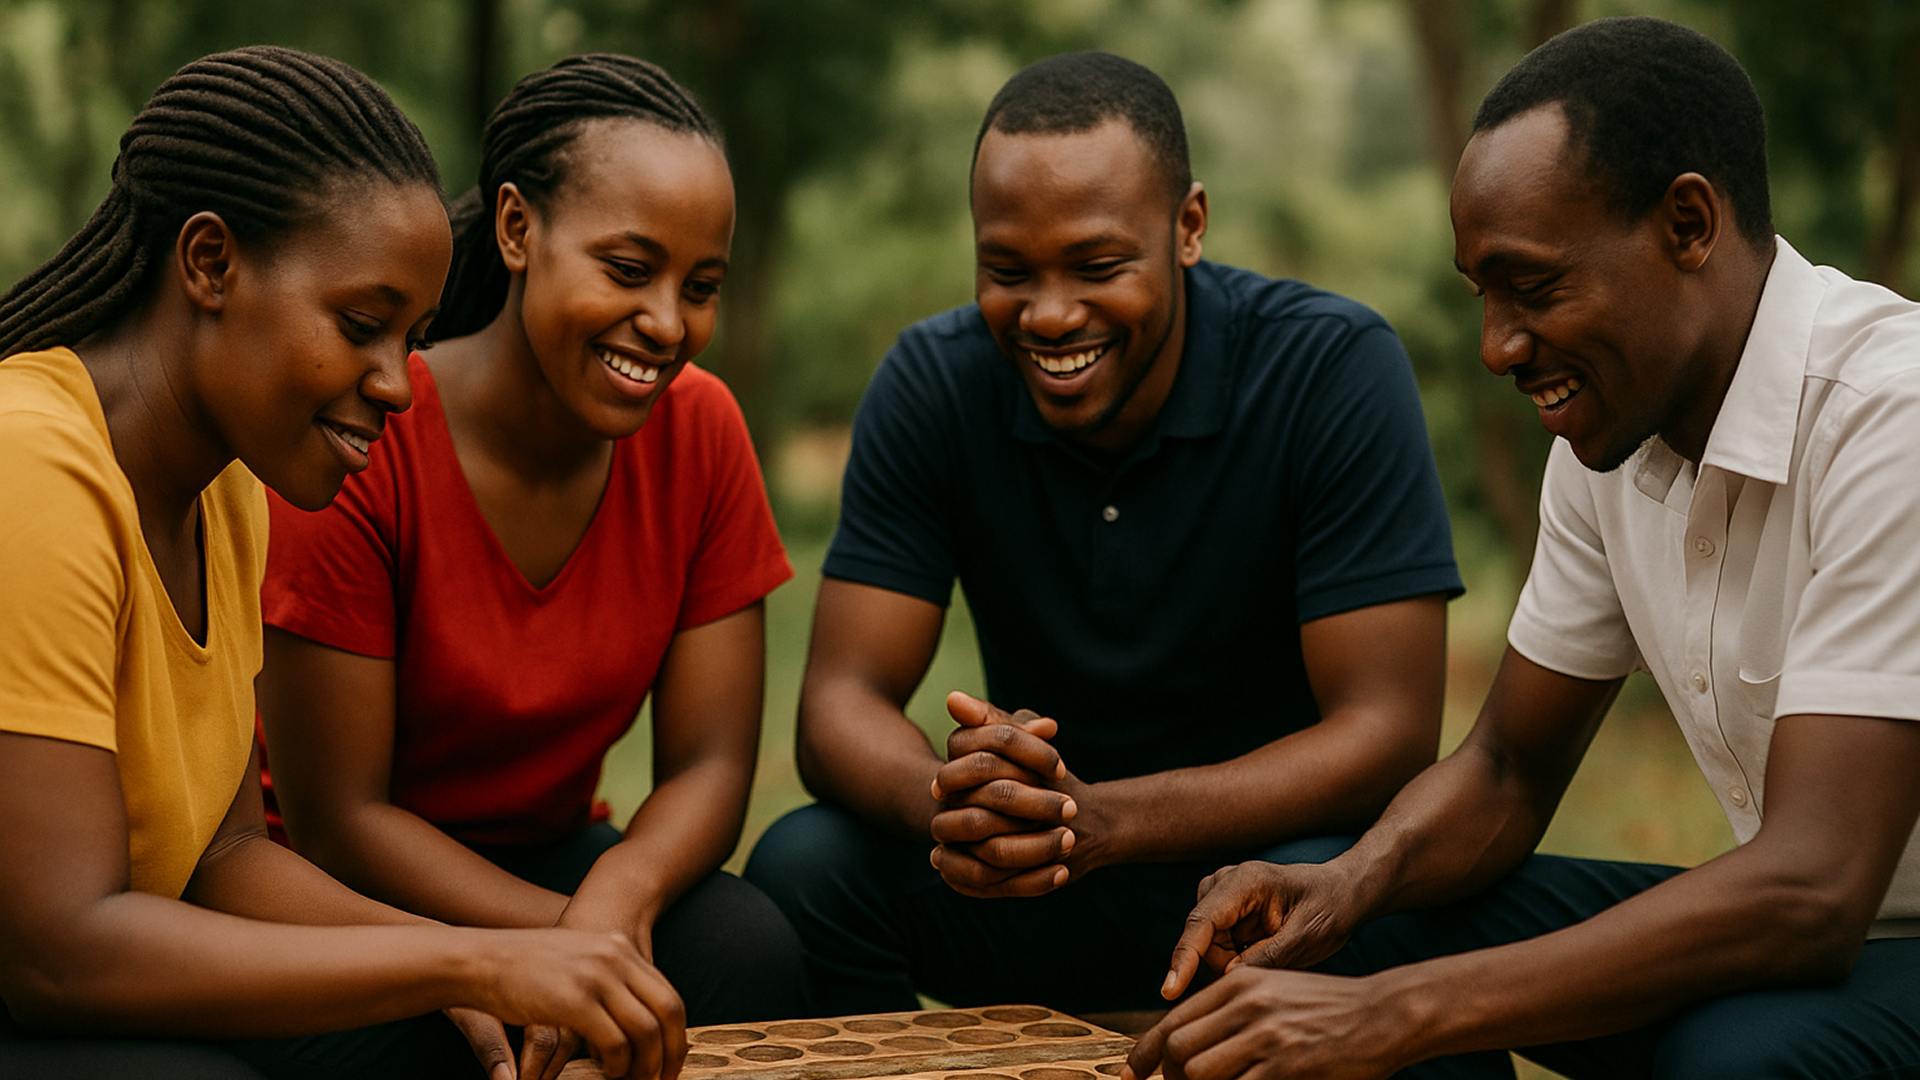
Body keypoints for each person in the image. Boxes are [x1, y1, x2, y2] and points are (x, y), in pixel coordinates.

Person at [1126, 16, 1920, 1080]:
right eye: (1484, 297)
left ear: (1688, 224)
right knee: (1324, 930)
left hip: (1846, 919)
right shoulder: (1613, 434)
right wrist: (1349, 884)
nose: (1498, 346)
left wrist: (1398, 1014)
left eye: (1534, 287)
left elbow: (1815, 891)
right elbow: (1508, 767)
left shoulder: (1891, 417)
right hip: (1813, 923)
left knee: (1737, 1057)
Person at [0, 46, 687, 1080]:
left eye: (411, 338)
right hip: (51, 985)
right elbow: (57, 951)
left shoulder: (229, 491)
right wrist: (470, 960)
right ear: (210, 263)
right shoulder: (31, 466)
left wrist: (483, 970)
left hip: (103, 978)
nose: (399, 385)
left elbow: (227, 857)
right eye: (363, 327)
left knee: (459, 1037)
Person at [743, 51, 1463, 1016]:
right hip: (1039, 884)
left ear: (1188, 227)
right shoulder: (933, 381)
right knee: (806, 864)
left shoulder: (1328, 368)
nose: (1048, 315)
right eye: (1007, 271)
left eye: (1097, 267)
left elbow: (1387, 731)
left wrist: (1109, 819)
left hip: (1259, 881)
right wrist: (967, 809)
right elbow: (840, 703)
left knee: (1353, 890)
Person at [254, 52, 803, 1073]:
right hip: (348, 891)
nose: (667, 324)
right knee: (427, 1049)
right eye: (629, 270)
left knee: (749, 950)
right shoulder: (368, 436)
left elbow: (712, 764)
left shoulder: (703, 431)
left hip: (561, 862)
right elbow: (342, 820)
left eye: (702, 287)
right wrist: (560, 945)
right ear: (517, 229)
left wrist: (616, 901)